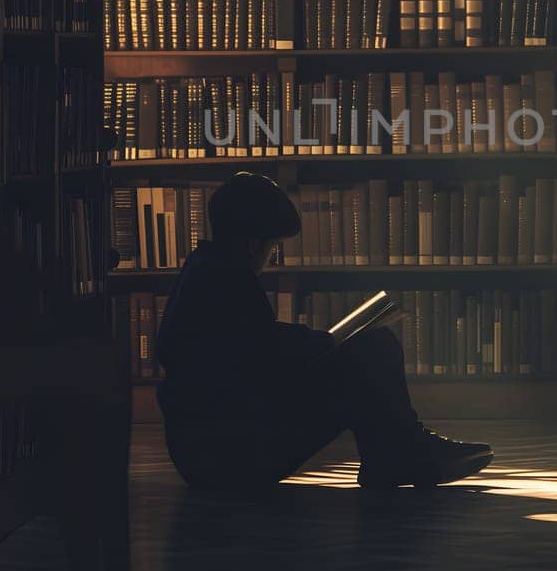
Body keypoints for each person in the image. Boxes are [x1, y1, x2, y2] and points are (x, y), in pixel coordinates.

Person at [155, 172, 493, 489]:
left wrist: (315, 345)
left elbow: (249, 346)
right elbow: (261, 352)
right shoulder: (224, 279)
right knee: (372, 348)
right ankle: (399, 451)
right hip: (229, 454)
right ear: (252, 245)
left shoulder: (203, 271)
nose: (269, 258)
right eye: (272, 247)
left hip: (204, 451)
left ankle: (397, 451)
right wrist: (325, 342)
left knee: (360, 352)